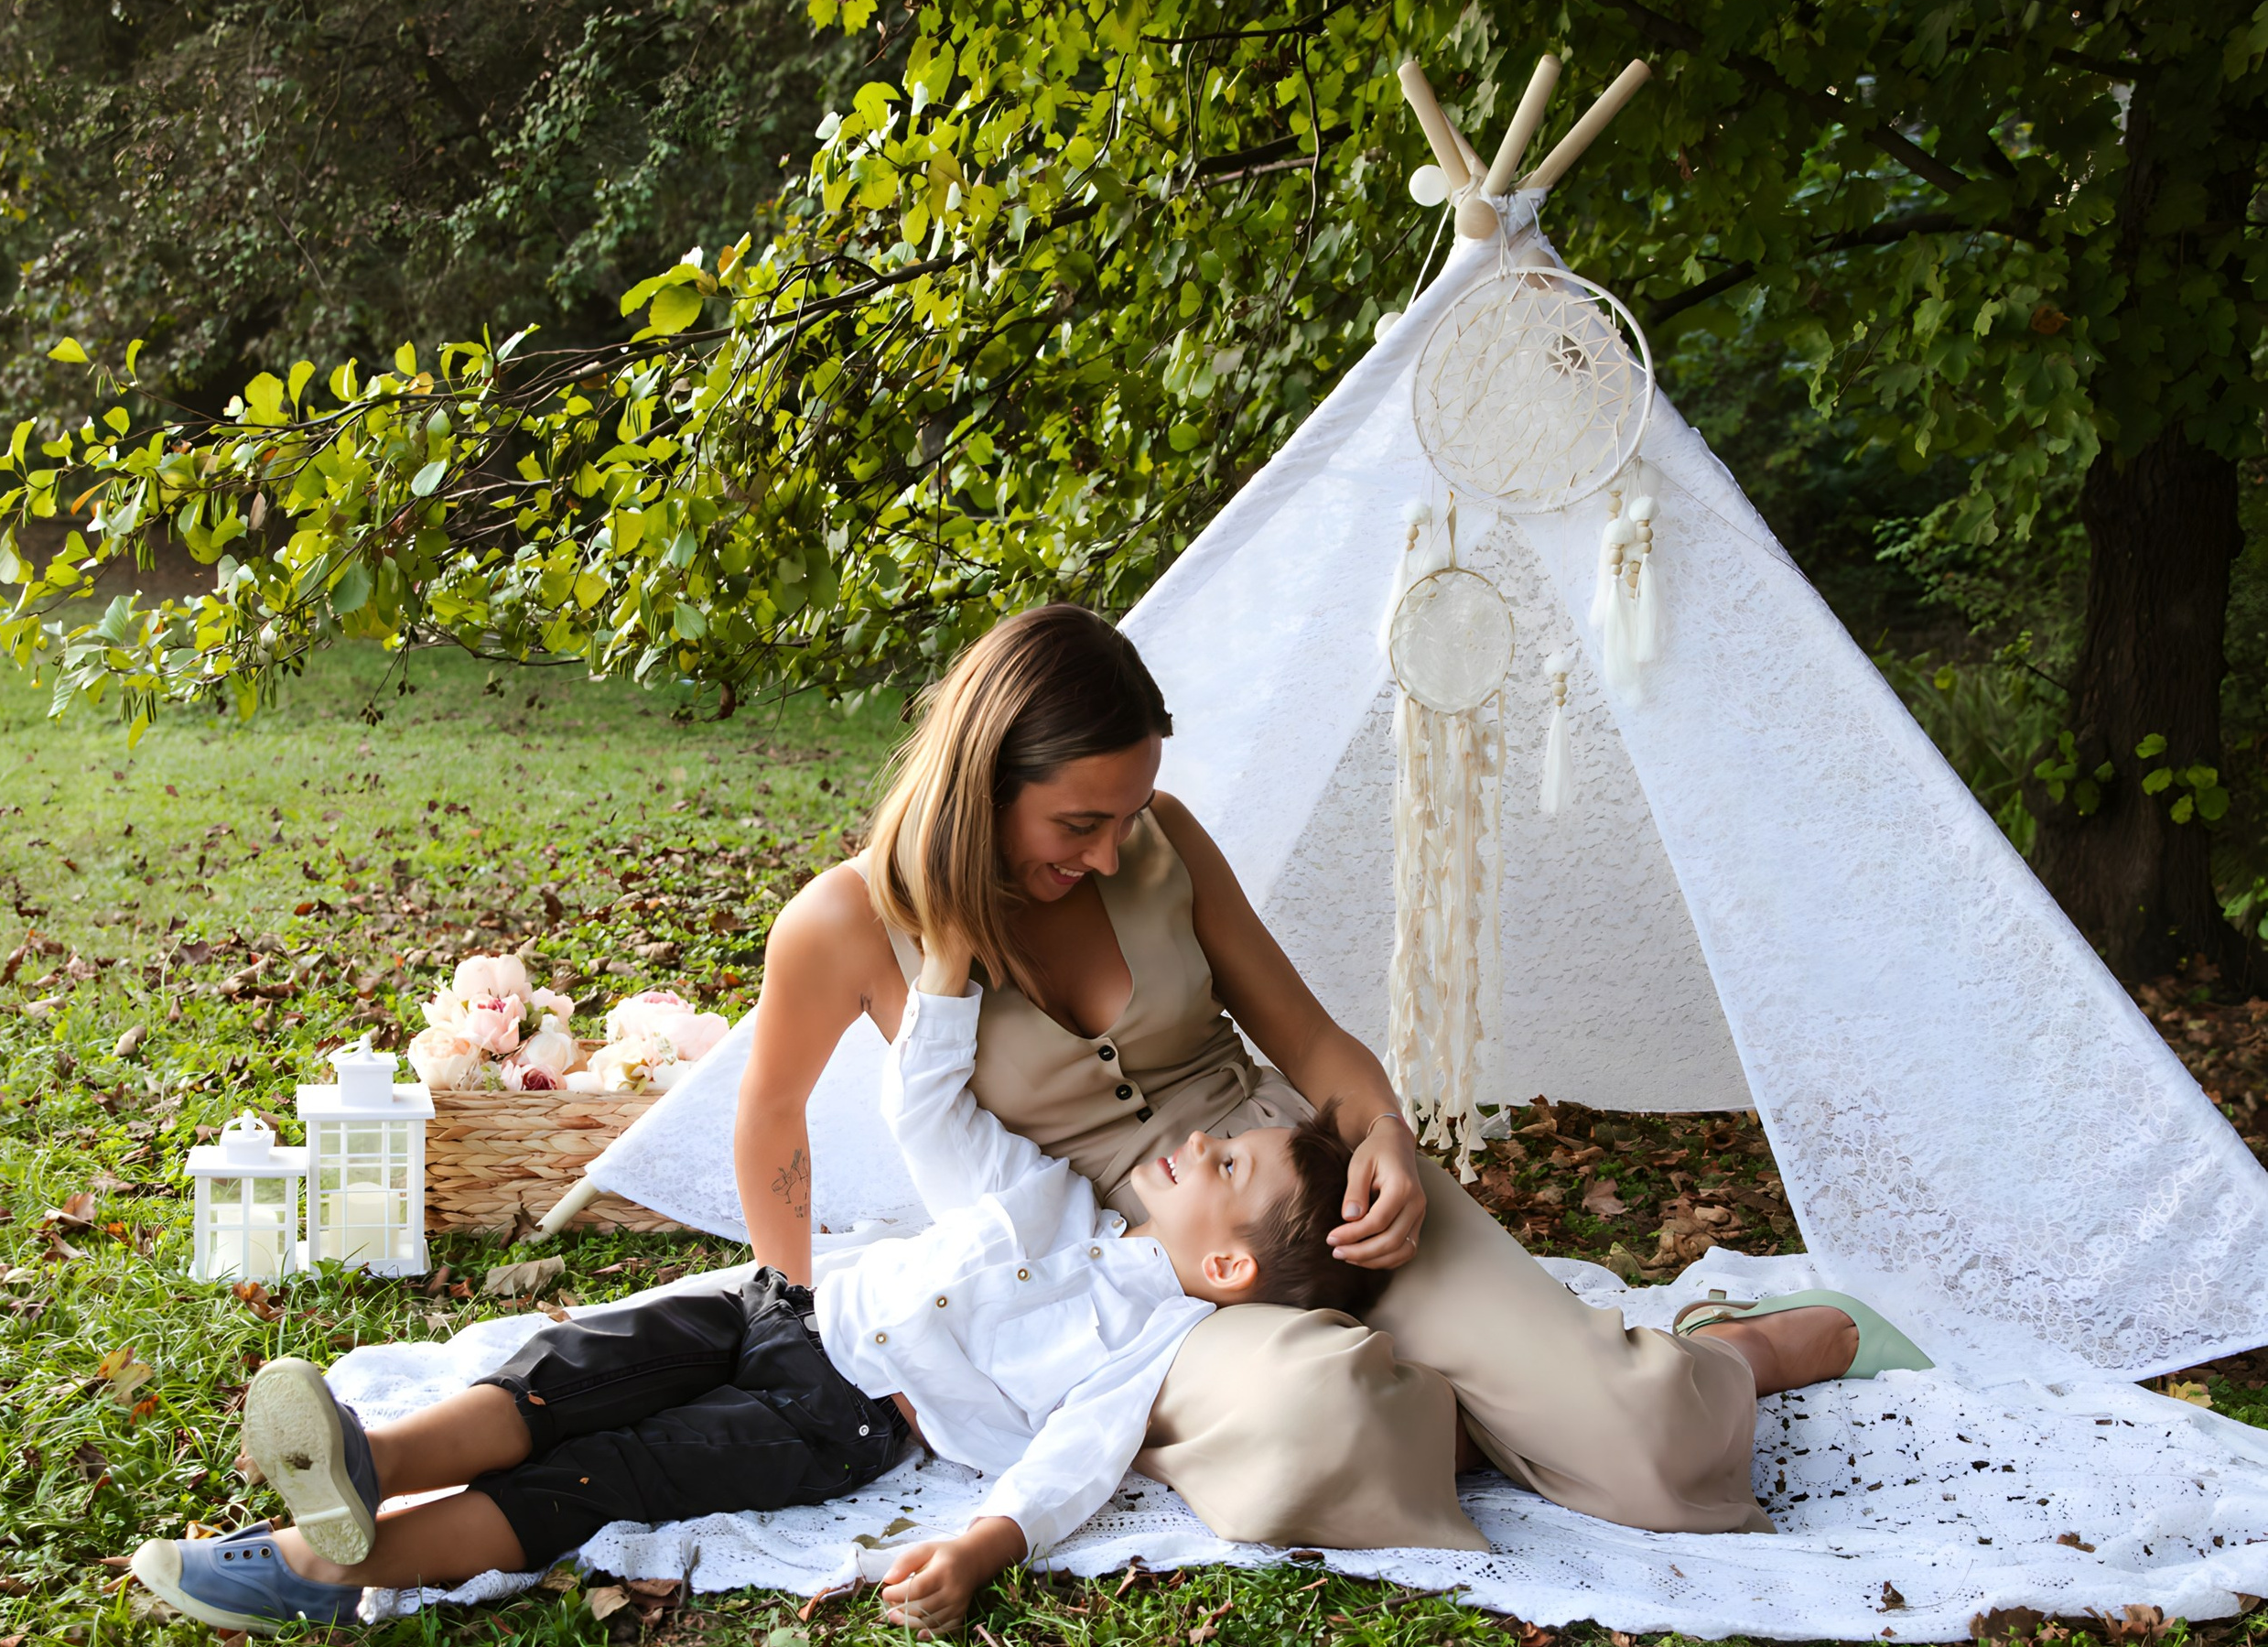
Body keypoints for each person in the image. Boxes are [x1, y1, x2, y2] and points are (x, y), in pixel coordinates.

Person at [736, 602, 1903, 1557]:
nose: (1107, 852)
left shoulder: (1164, 844)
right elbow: (774, 1119)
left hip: (1297, 1178)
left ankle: (1716, 1349)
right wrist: (789, 1319)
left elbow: (1311, 1042)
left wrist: (1382, 1131)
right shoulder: (845, 920)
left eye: (1128, 813)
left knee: (1643, 1439)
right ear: (979, 780)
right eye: (1078, 822)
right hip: (1128, 1291)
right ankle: (1468, 1399)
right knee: (1322, 1421)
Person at [127, 931, 1383, 1639]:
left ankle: (332, 1565)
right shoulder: (1051, 1194)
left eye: (1230, 1158)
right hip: (783, 1303)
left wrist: (985, 1546)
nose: (1201, 1138)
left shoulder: (1144, 1340)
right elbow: (933, 1122)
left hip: (841, 1418)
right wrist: (939, 984)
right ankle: (370, 1457)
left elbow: (1074, 1463)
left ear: (1224, 1264)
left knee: (609, 1472)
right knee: (574, 1368)